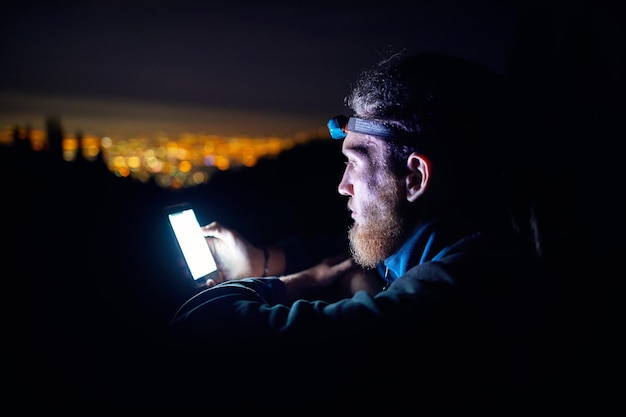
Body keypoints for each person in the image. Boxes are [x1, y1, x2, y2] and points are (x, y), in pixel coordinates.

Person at [166, 51, 563, 410]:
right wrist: (264, 262)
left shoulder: (457, 293)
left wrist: (287, 283)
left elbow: (202, 328)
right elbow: (350, 256)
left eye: (355, 162)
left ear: (414, 176)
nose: (343, 185)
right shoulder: (468, 245)